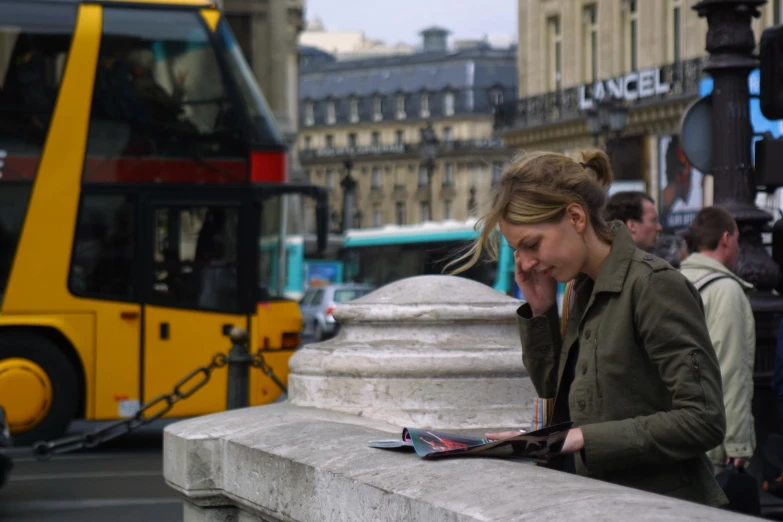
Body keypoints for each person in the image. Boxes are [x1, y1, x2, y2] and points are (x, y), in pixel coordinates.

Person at [450, 150, 728, 507]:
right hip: (601, 502)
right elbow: (560, 398)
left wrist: (582, 438)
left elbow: (704, 420)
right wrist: (540, 312)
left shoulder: (653, 285)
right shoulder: (578, 290)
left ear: (576, 217)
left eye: (531, 245)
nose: (526, 263)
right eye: (517, 251)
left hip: (664, 507)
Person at [680, 206, 756, 473]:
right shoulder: (727, 290)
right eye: (737, 238)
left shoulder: (674, 279)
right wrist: (737, 444)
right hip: (712, 443)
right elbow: (730, 369)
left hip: (676, 434)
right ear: (726, 238)